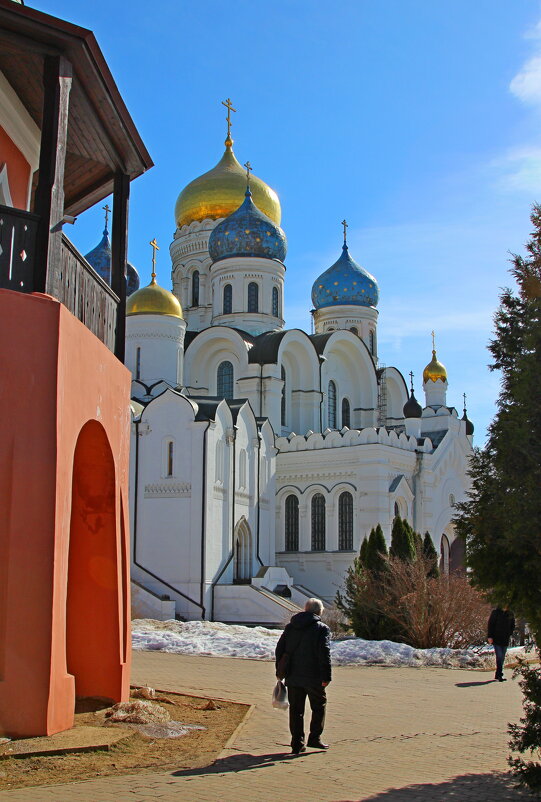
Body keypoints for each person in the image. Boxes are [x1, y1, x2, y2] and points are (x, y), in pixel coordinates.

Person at [275, 598, 332, 755]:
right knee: (319, 706)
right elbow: (324, 653)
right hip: (314, 676)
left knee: (296, 710)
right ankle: (314, 738)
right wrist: (326, 676)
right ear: (319, 611)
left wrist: (280, 670)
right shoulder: (322, 629)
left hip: (293, 676)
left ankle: (297, 743)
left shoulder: (291, 627)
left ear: (305, 609)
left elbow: (279, 650)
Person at [487, 606, 515, 682]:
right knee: (499, 656)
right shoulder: (495, 613)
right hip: (496, 638)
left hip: (505, 638)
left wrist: (509, 633)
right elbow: (491, 624)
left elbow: (513, 625)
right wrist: (490, 636)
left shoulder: (510, 613)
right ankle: (499, 674)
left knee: (502, 657)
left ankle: (498, 673)